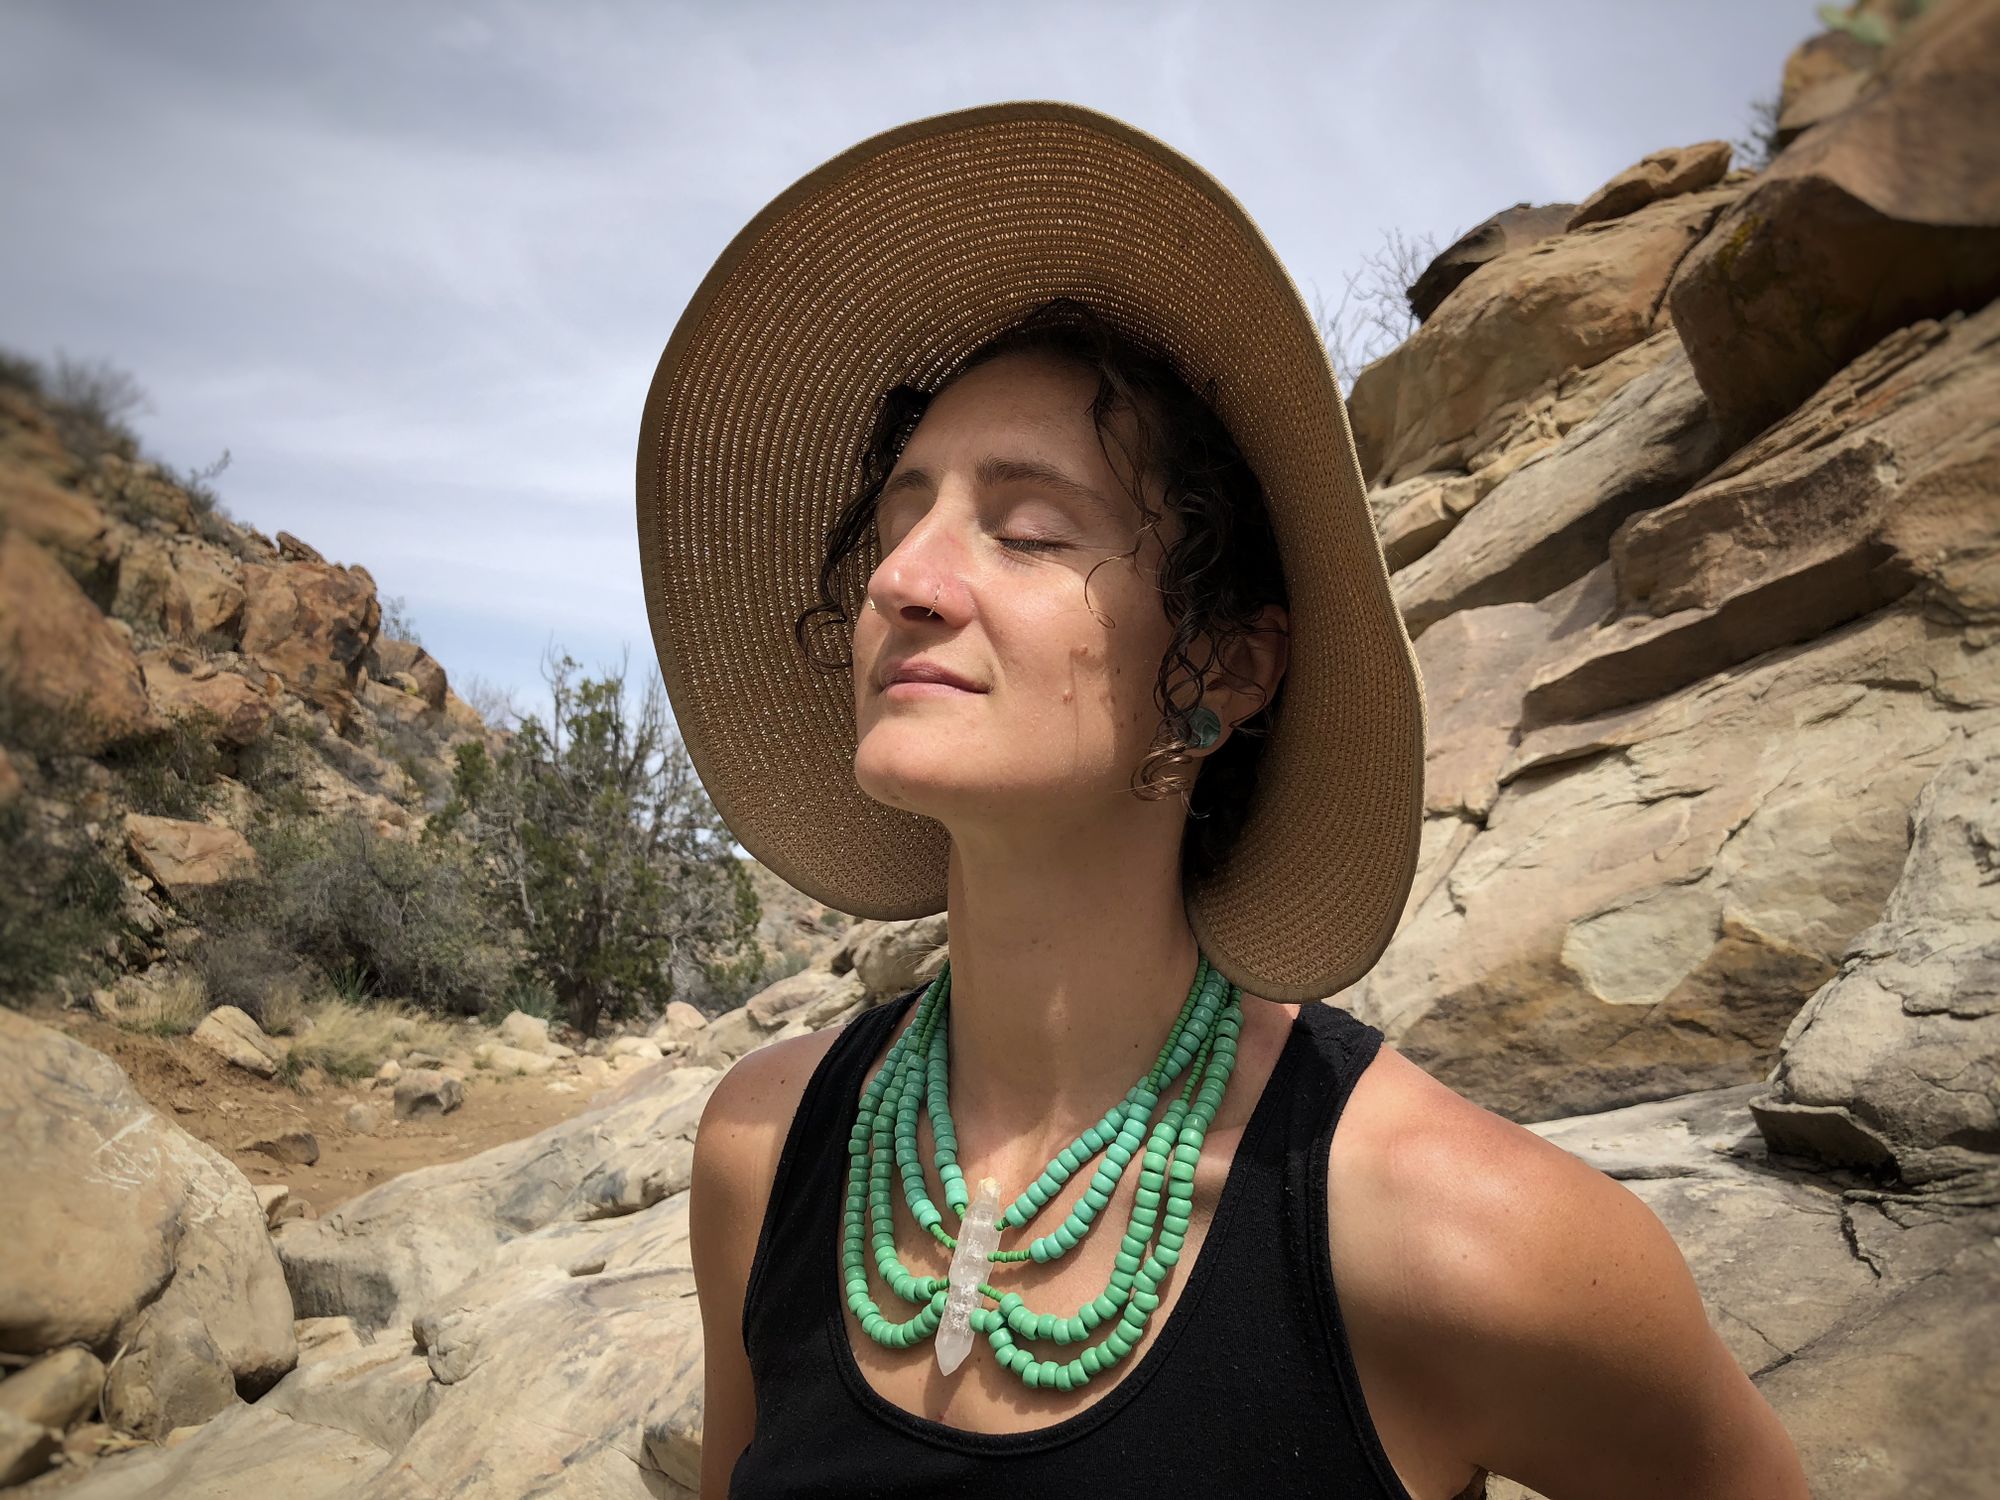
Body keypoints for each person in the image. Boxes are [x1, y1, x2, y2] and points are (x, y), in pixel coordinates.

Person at [637, 103, 1810, 1498]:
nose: (902, 582)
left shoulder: (1460, 1236)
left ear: (1221, 663)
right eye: (896, 524)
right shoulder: (764, 1155)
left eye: (1023, 531)